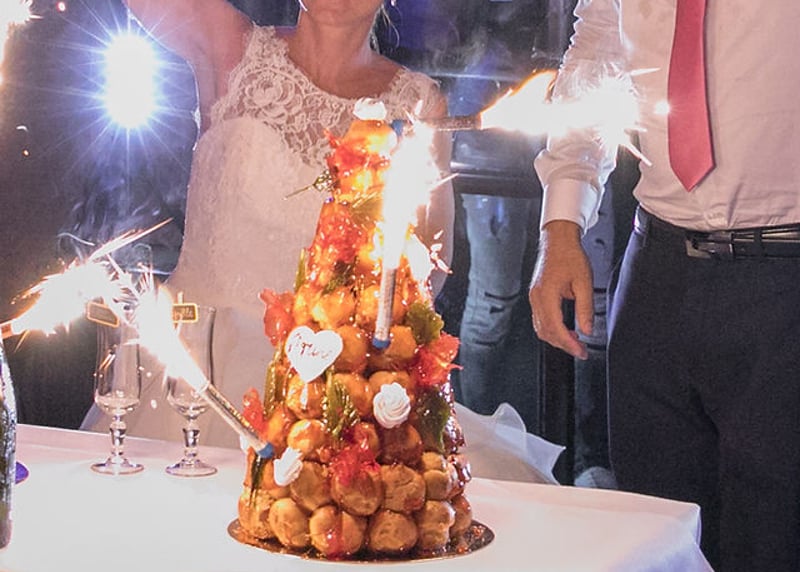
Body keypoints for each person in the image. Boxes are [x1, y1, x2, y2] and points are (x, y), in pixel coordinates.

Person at [81, 0, 455, 450]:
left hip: (321, 398)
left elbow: (425, 274)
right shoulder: (230, 48)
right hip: (191, 370)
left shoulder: (418, 105)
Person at [529, 1, 800, 570]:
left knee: (775, 537)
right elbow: (594, 57)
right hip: (656, 272)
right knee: (655, 531)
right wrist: (561, 226)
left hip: (785, 277)